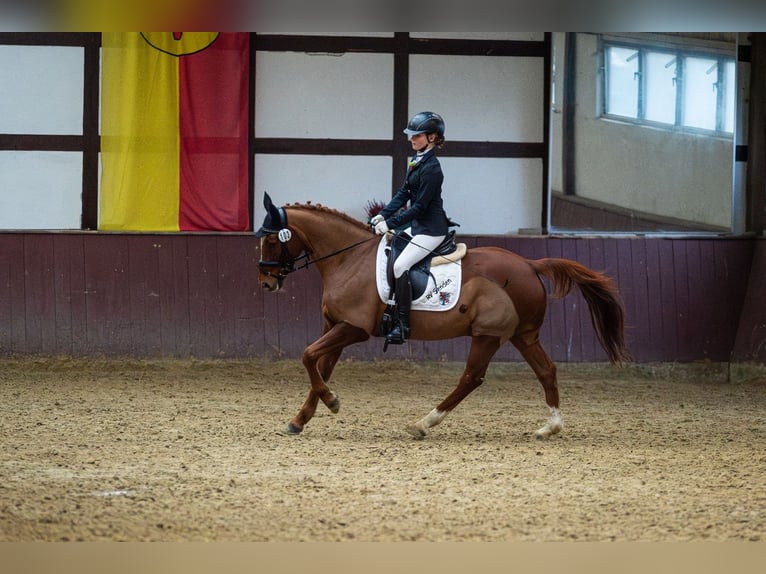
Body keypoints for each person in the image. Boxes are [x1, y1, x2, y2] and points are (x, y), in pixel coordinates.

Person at [370, 111, 452, 345]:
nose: (411, 139)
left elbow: (418, 207)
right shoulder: (417, 160)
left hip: (431, 230)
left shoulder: (433, 169)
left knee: (400, 265)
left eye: (417, 136)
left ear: (432, 137)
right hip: (417, 227)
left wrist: (391, 223)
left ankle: (403, 324)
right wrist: (382, 214)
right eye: (411, 135)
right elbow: (403, 194)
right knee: (388, 250)